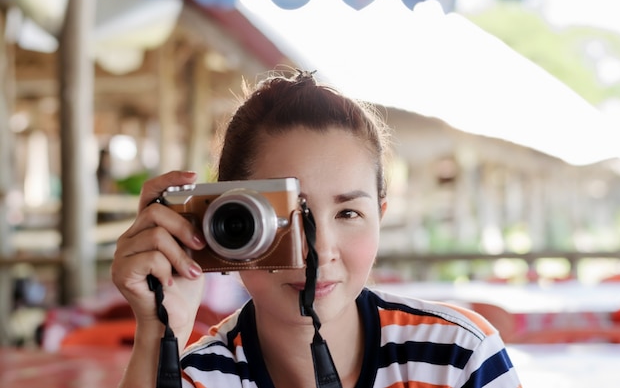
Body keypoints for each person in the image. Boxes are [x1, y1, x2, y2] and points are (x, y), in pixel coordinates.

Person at [111, 70, 522, 388]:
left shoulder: (458, 358)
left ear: (380, 215)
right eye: (288, 217)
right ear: (225, 222)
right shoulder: (195, 377)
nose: (319, 250)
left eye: (348, 214)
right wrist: (160, 331)